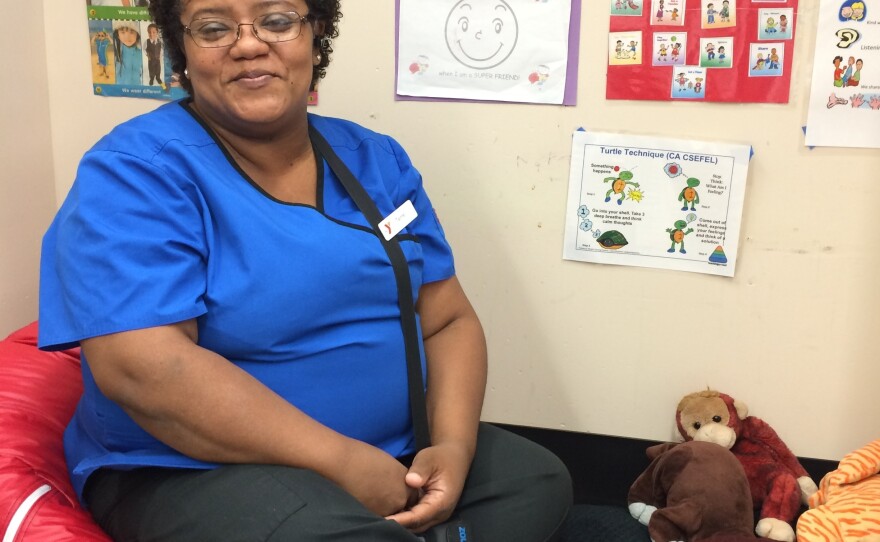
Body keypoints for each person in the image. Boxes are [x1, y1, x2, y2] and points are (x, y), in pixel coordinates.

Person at [38, 1, 572, 541]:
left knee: (535, 479)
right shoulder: (134, 173)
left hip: (391, 449)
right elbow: (144, 369)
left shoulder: (376, 160)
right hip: (194, 469)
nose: (248, 44)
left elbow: (448, 320)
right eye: (214, 28)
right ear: (182, 53)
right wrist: (342, 464)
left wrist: (452, 447)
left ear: (315, 36)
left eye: (276, 20)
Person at [112, 20, 143, 85]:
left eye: (131, 32)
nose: (127, 37)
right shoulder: (116, 52)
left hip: (137, 89)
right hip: (120, 90)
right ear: (118, 35)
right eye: (122, 32)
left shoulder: (142, 52)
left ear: (137, 34)